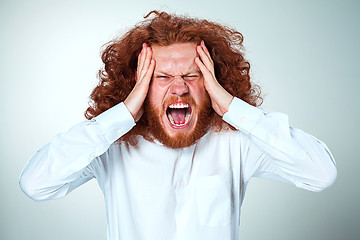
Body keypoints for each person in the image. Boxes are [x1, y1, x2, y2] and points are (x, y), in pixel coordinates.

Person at [19, 10, 337, 240]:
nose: (179, 88)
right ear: (140, 83)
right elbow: (36, 184)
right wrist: (125, 112)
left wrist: (229, 106)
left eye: (191, 75)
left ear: (210, 81)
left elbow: (321, 174)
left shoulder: (236, 142)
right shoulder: (112, 147)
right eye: (162, 77)